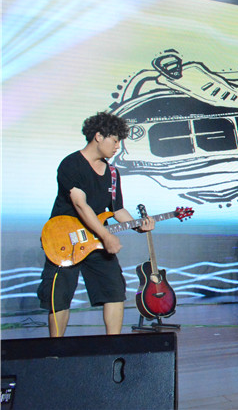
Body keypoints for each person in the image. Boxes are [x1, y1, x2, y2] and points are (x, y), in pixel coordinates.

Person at [37, 112, 155, 337]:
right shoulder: (71, 164)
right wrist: (107, 235)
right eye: (115, 140)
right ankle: (55, 350)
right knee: (59, 297)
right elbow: (80, 205)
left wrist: (138, 225)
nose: (118, 147)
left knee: (114, 290)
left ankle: (113, 346)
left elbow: (117, 210)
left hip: (97, 241)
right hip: (64, 240)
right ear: (99, 136)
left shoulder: (112, 173)